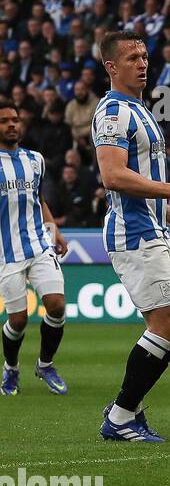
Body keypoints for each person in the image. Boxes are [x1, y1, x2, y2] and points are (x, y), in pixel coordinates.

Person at [91, 31, 170, 442]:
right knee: (164, 325)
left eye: (144, 56)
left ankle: (125, 407)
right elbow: (113, 176)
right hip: (134, 236)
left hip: (156, 229)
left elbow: (141, 182)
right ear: (111, 67)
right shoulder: (112, 113)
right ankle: (122, 417)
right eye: (132, 58)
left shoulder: (140, 110)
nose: (143, 63)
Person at [0, 100, 71, 396]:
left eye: (15, 119)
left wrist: (54, 231)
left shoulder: (35, 160)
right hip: (7, 253)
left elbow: (38, 200)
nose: (12, 124)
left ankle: (45, 364)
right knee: (17, 320)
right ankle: (11, 369)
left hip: (39, 245)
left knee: (56, 305)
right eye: (4, 121)